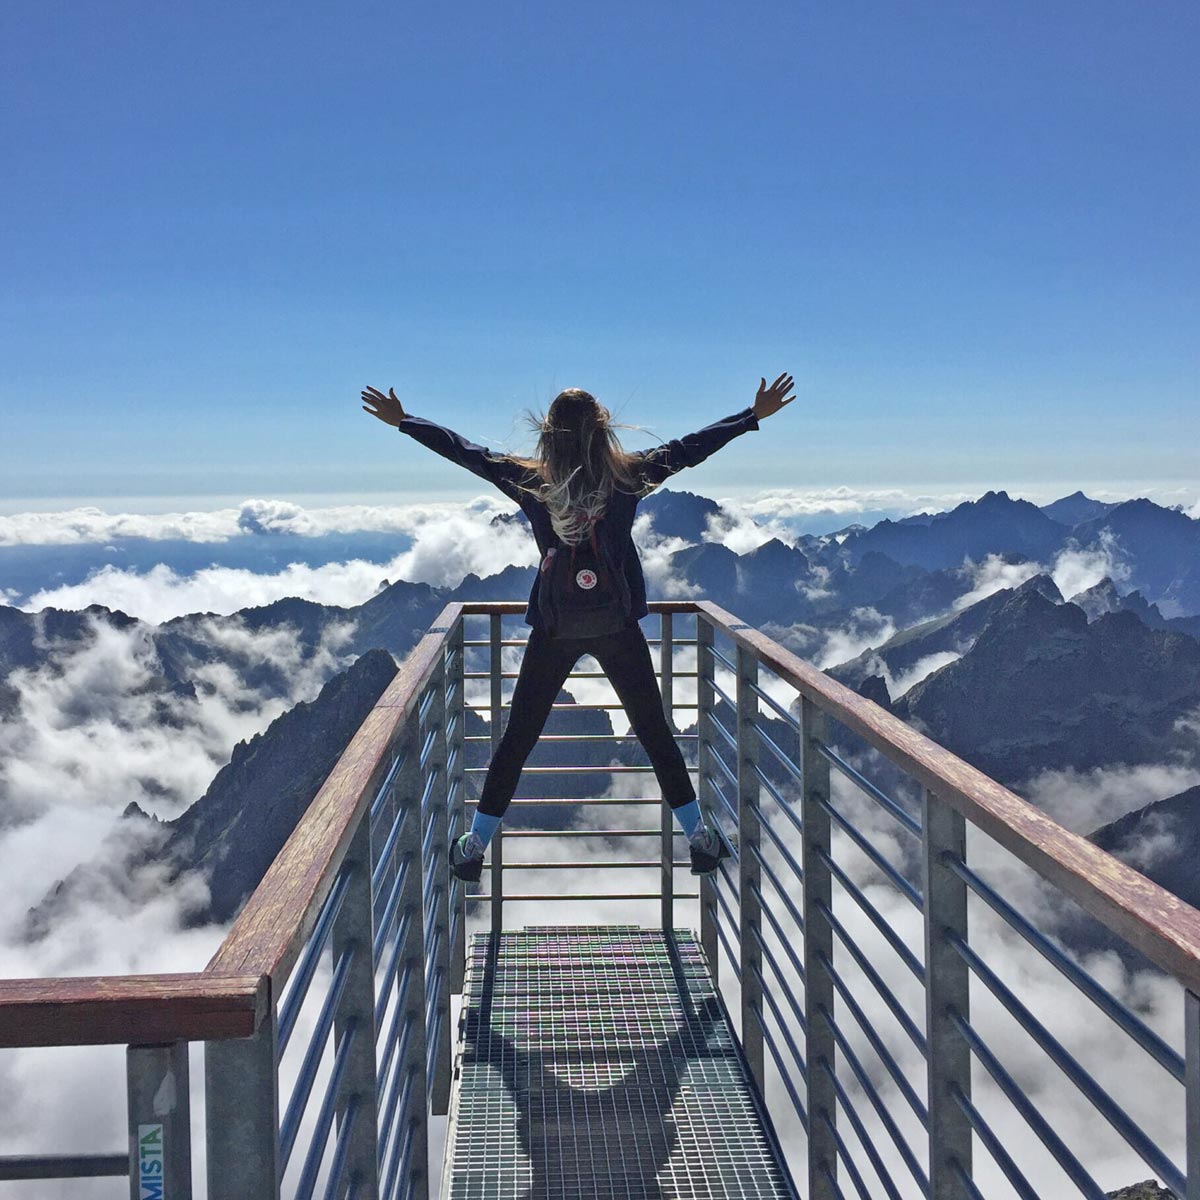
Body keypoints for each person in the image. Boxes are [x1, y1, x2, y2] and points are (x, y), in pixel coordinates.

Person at [360, 375, 796, 882]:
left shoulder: (530, 481)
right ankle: (699, 836)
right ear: (602, 429)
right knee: (654, 731)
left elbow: (467, 453)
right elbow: (690, 449)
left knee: (518, 736)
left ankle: (475, 845)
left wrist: (405, 421)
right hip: (616, 625)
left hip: (555, 627)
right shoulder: (628, 477)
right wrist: (751, 416)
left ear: (548, 434)